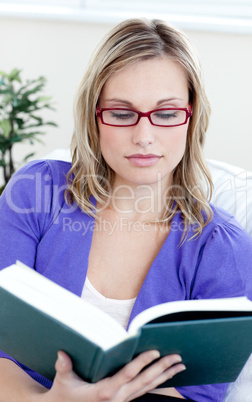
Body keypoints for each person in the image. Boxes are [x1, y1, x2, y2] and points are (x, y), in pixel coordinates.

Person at [0, 18, 252, 402]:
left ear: (192, 116)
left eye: (166, 114)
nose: (144, 136)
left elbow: (197, 394)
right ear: (94, 115)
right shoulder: (37, 194)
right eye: (121, 113)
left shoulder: (224, 251)